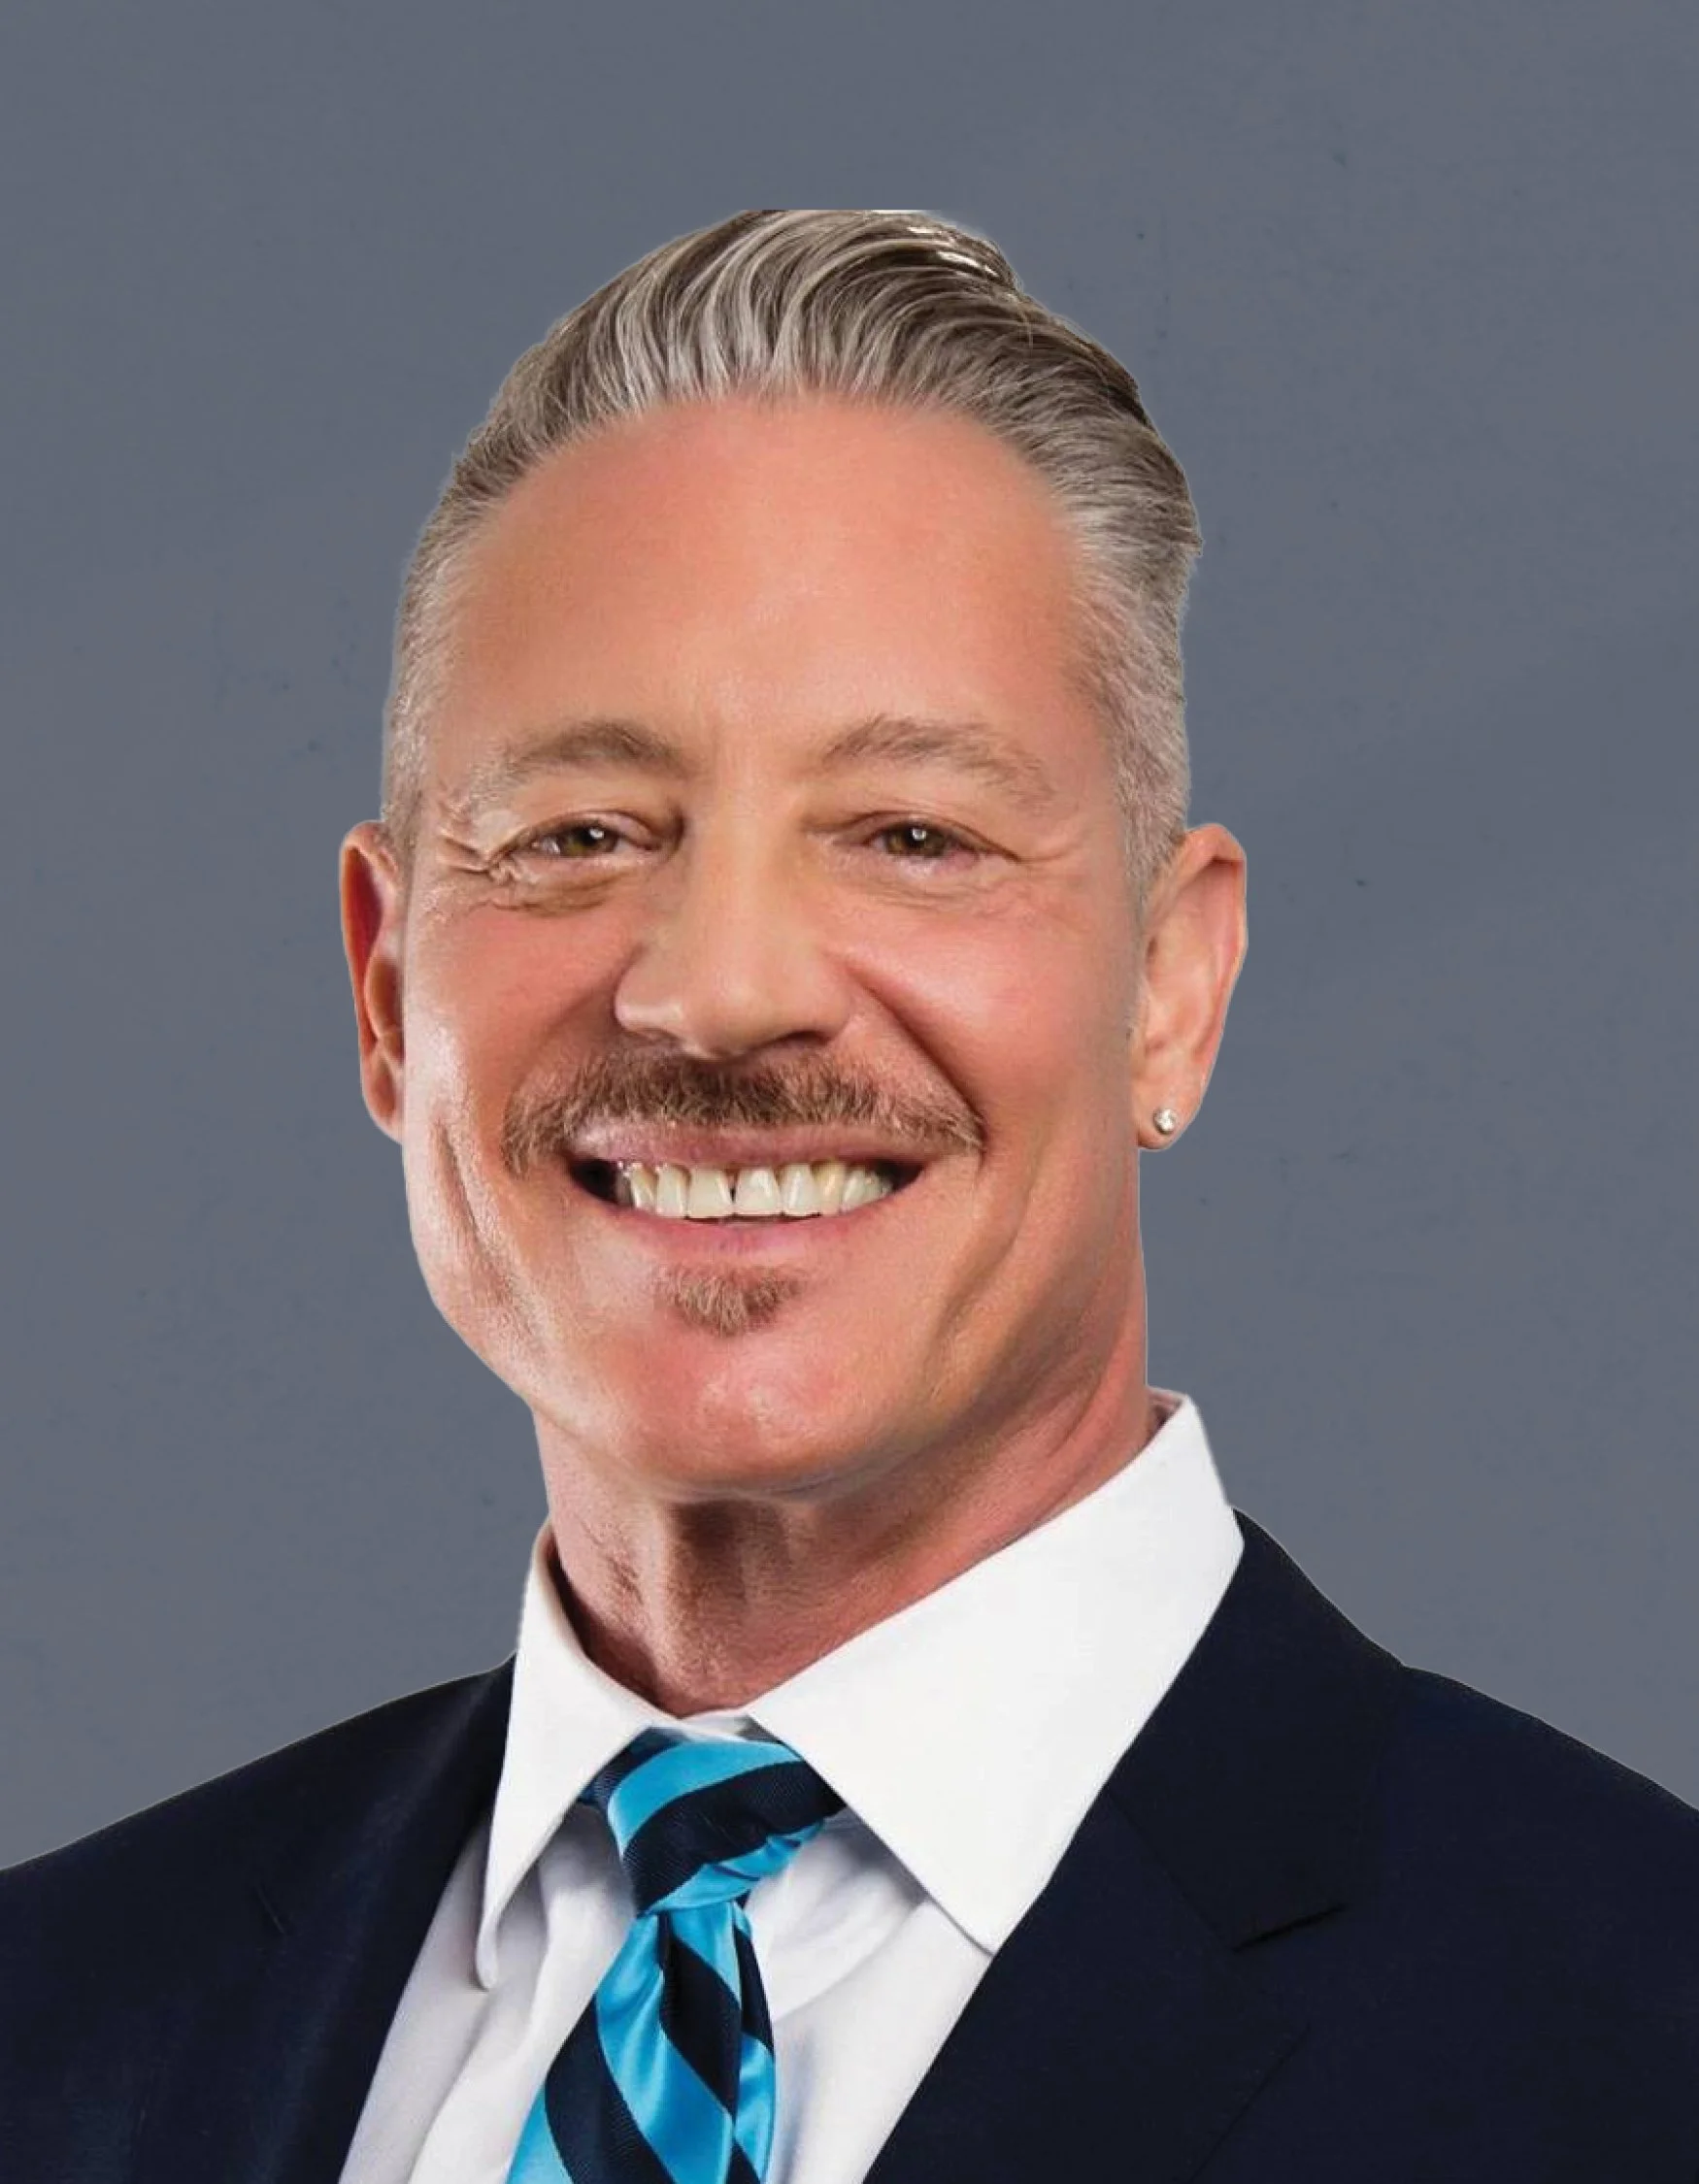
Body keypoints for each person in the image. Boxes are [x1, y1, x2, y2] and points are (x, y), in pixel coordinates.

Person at [2, 208, 1695, 2184]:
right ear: (388, 993)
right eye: (578, 835)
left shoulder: (1634, 2045)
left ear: (1168, 985)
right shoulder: (57, 2017)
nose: (720, 989)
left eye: (910, 832)